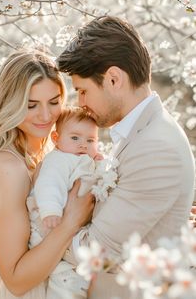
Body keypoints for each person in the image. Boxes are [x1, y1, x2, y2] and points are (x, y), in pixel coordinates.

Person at [57, 16, 195, 299]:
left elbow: (97, 252)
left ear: (113, 79)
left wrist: (33, 231)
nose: (80, 103)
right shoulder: (141, 133)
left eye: (83, 91)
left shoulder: (157, 149)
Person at [0, 50, 95, 299]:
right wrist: (71, 220)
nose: (46, 115)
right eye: (31, 105)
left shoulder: (53, 151)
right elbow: (16, 280)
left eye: (54, 102)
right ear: (10, 104)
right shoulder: (7, 167)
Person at [32, 106, 117, 299]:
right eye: (75, 138)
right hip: (50, 227)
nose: (83, 145)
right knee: (63, 279)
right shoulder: (59, 160)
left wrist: (100, 163)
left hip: (75, 231)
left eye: (90, 140)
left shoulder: (85, 159)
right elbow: (49, 184)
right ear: (56, 139)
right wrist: (50, 210)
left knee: (79, 279)